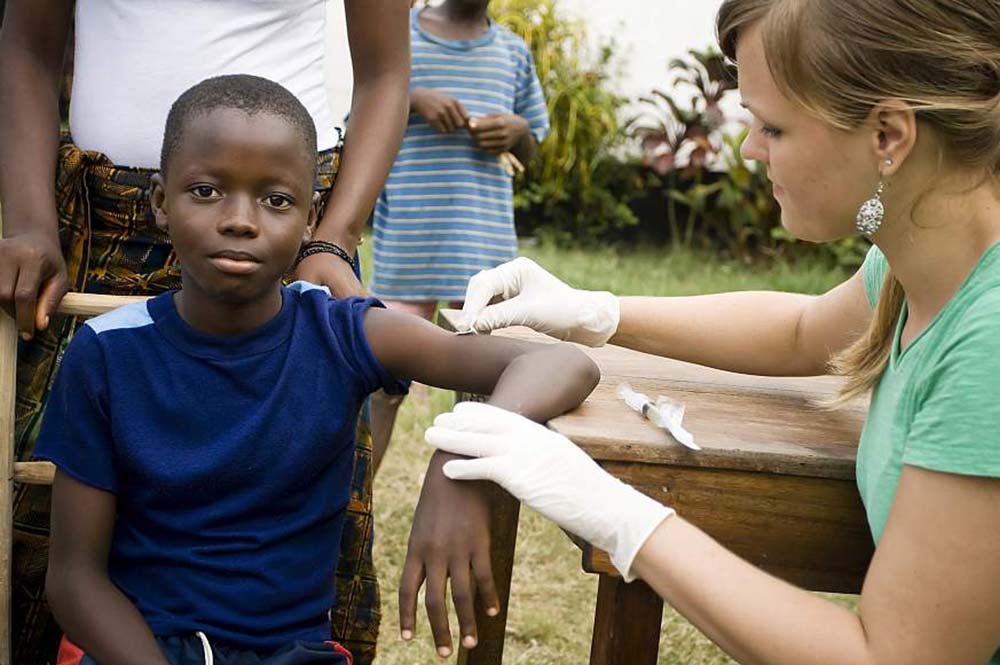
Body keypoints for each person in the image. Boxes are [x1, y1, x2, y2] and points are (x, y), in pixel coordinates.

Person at [422, 1, 1000, 663]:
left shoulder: (990, 344)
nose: (750, 149)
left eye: (773, 127)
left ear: (890, 137)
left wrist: (624, 517)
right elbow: (806, 331)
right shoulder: (927, 255)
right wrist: (598, 312)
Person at [36, 74, 599, 665]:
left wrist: (459, 463)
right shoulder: (105, 353)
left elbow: (561, 361)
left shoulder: (341, 333)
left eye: (275, 200)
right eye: (205, 191)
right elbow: (74, 579)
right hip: (138, 649)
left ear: (311, 218)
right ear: (158, 202)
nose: (240, 220)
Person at [0, 2, 410, 662]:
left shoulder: (304, 255)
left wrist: (331, 237)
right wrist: (27, 223)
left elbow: (387, 70)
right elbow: (27, 44)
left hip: (292, 240)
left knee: (295, 490)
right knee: (39, 519)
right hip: (95, 229)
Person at [367, 0, 549, 470]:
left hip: (481, 253)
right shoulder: (397, 35)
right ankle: (355, 501)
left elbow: (534, 148)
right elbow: (361, 111)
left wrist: (518, 131)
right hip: (409, 244)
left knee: (484, 396)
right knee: (381, 384)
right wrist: (411, 96)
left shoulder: (512, 52)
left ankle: (467, 508)